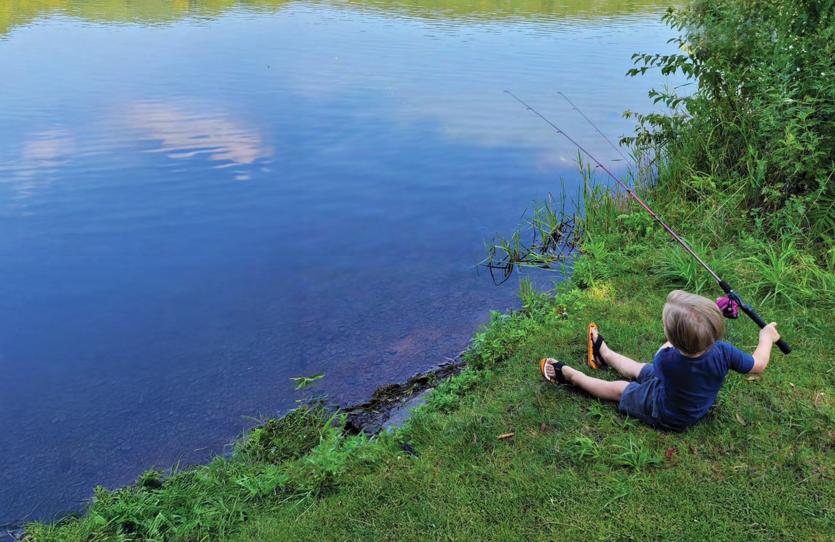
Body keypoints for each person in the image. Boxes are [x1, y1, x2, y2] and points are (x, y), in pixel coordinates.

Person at [540, 289, 781, 431]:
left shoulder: (666, 359)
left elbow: (667, 351)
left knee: (621, 389)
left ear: (673, 339)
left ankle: (572, 376)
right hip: (688, 400)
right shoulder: (724, 352)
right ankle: (605, 354)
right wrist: (766, 338)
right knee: (640, 369)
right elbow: (758, 364)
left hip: (670, 413)